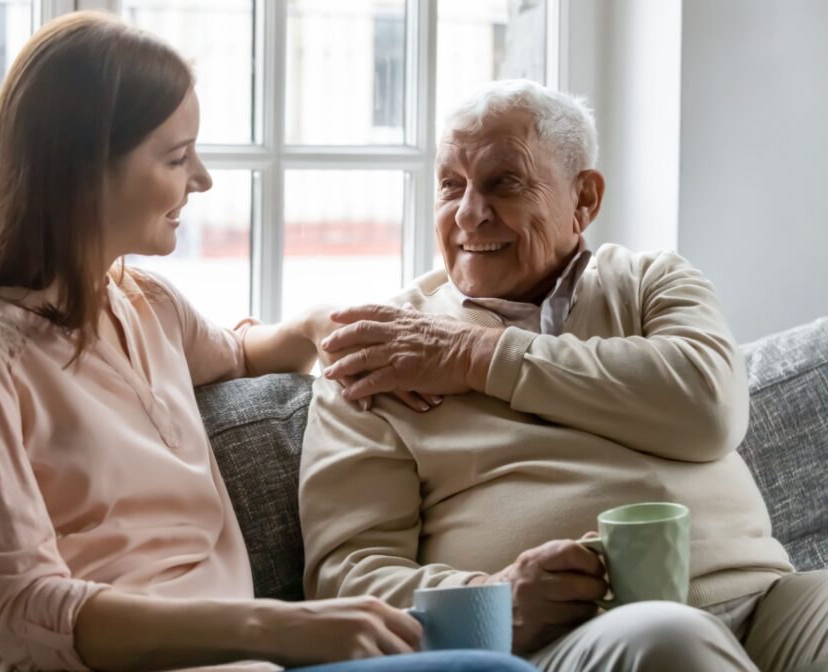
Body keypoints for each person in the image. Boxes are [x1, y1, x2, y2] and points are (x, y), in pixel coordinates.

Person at [0, 11, 535, 672]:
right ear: (84, 167)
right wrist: (276, 626)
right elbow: (26, 607)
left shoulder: (148, 306)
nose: (201, 179)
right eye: (176, 157)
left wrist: (325, 326)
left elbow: (244, 353)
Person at [299, 79, 828, 672]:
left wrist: (479, 357)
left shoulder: (652, 281)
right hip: (580, 636)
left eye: (504, 182)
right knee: (667, 638)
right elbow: (346, 578)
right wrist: (494, 597)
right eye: (451, 185)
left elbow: (708, 409)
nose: (469, 213)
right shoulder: (381, 353)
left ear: (584, 200)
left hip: (767, 600)